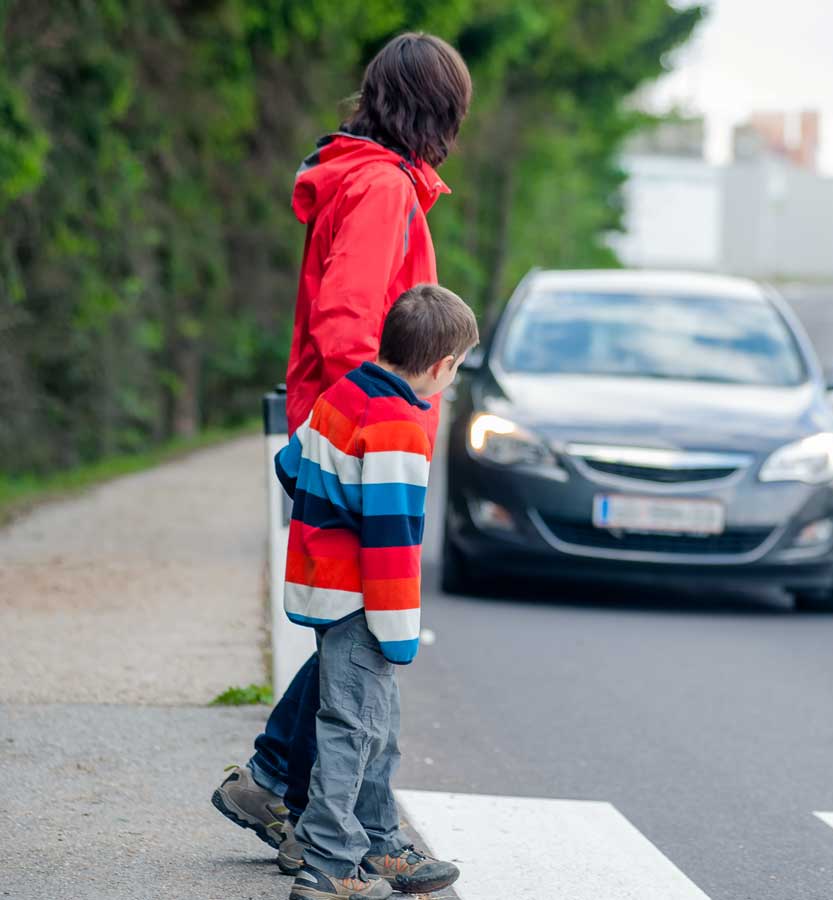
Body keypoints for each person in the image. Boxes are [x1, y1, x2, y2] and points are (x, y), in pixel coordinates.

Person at [209, 31, 471, 891]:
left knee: (347, 634)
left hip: (337, 427)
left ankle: (274, 784)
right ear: (437, 111)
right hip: (359, 438)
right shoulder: (381, 188)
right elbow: (348, 323)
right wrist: (381, 416)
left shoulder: (364, 178)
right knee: (364, 636)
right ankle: (360, 838)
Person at [277, 284, 479, 900]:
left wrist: (331, 503)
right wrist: (399, 632)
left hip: (321, 581)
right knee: (352, 726)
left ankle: (380, 840)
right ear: (441, 367)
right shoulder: (398, 426)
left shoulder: (345, 393)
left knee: (374, 721)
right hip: (362, 599)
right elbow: (391, 543)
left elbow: (291, 463)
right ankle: (331, 861)